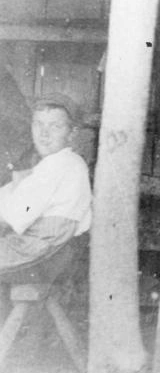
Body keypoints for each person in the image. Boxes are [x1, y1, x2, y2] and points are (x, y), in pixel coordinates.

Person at [0, 93, 92, 273]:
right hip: (42, 246)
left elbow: (16, 215)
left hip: (36, 247)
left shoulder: (59, 164)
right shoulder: (61, 163)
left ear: (72, 133)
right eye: (38, 124)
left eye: (55, 126)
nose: (44, 134)